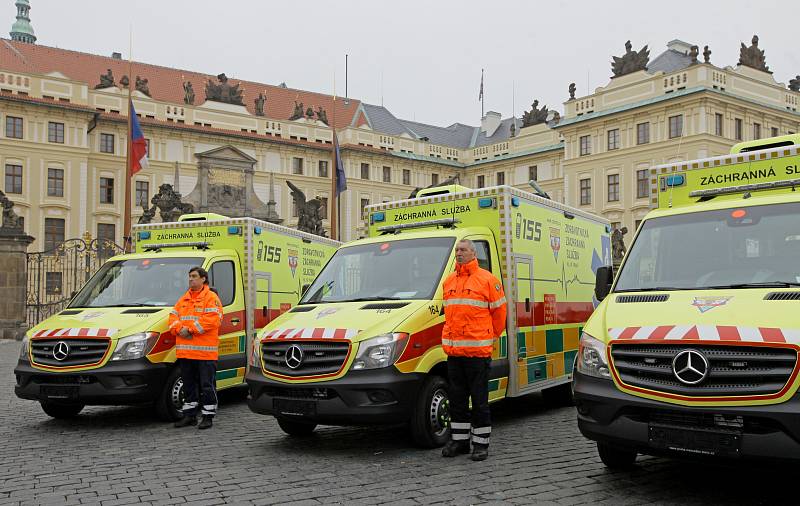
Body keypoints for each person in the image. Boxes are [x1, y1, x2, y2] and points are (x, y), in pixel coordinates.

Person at [441, 239, 507, 461]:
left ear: (473, 253)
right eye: (457, 250)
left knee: (479, 401)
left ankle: (481, 445)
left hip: (478, 354)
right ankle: (459, 442)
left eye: (463, 250)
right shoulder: (449, 281)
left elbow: (500, 315)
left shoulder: (488, 280)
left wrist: (488, 337)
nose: (458, 253)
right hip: (454, 354)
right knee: (457, 401)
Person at [169, 267, 223, 429]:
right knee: (188, 386)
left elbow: (213, 320)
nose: (191, 279)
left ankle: (208, 416)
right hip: (186, 353)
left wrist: (189, 329)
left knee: (207, 386)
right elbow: (172, 319)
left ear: (203, 279)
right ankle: (190, 415)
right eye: (189, 277)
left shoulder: (211, 298)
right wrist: (180, 329)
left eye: (194, 277)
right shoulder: (183, 299)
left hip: (205, 354)